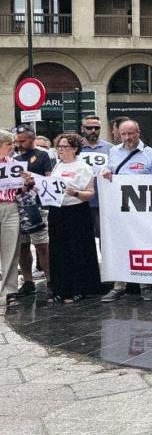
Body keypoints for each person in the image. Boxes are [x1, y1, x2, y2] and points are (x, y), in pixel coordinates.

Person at [100, 120, 152, 302]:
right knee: (119, 246)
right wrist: (105, 173)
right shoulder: (113, 152)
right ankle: (119, 286)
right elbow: (109, 171)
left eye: (131, 134)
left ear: (138, 133)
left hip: (143, 211)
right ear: (119, 135)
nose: (127, 138)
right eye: (124, 134)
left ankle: (146, 286)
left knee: (142, 246)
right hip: (120, 209)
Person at [39, 133, 102, 304]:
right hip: (58, 210)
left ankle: (79, 288)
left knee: (77, 249)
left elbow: (90, 194)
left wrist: (75, 192)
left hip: (76, 210)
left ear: (74, 149)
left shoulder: (83, 167)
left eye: (65, 147)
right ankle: (60, 288)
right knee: (58, 250)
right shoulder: (57, 166)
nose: (61, 150)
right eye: (59, 147)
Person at [12, 124, 53, 298]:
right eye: (17, 141)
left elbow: (49, 180)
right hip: (18, 206)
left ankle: (51, 279)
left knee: (42, 245)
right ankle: (28, 281)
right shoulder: (13, 157)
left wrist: (32, 182)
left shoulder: (43, 155)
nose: (19, 144)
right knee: (22, 246)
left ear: (32, 138)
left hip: (37, 206)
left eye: (23, 141)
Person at [0, 131, 30, 306]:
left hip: (11, 206)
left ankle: (10, 291)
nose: (13, 147)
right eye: (9, 144)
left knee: (11, 249)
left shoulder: (16, 164)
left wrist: (26, 182)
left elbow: (23, 191)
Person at [81, 115, 113, 239]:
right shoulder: (75, 147)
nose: (93, 131)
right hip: (80, 200)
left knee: (104, 237)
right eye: (89, 128)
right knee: (83, 237)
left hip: (102, 200)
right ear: (82, 128)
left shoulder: (110, 148)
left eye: (96, 128)